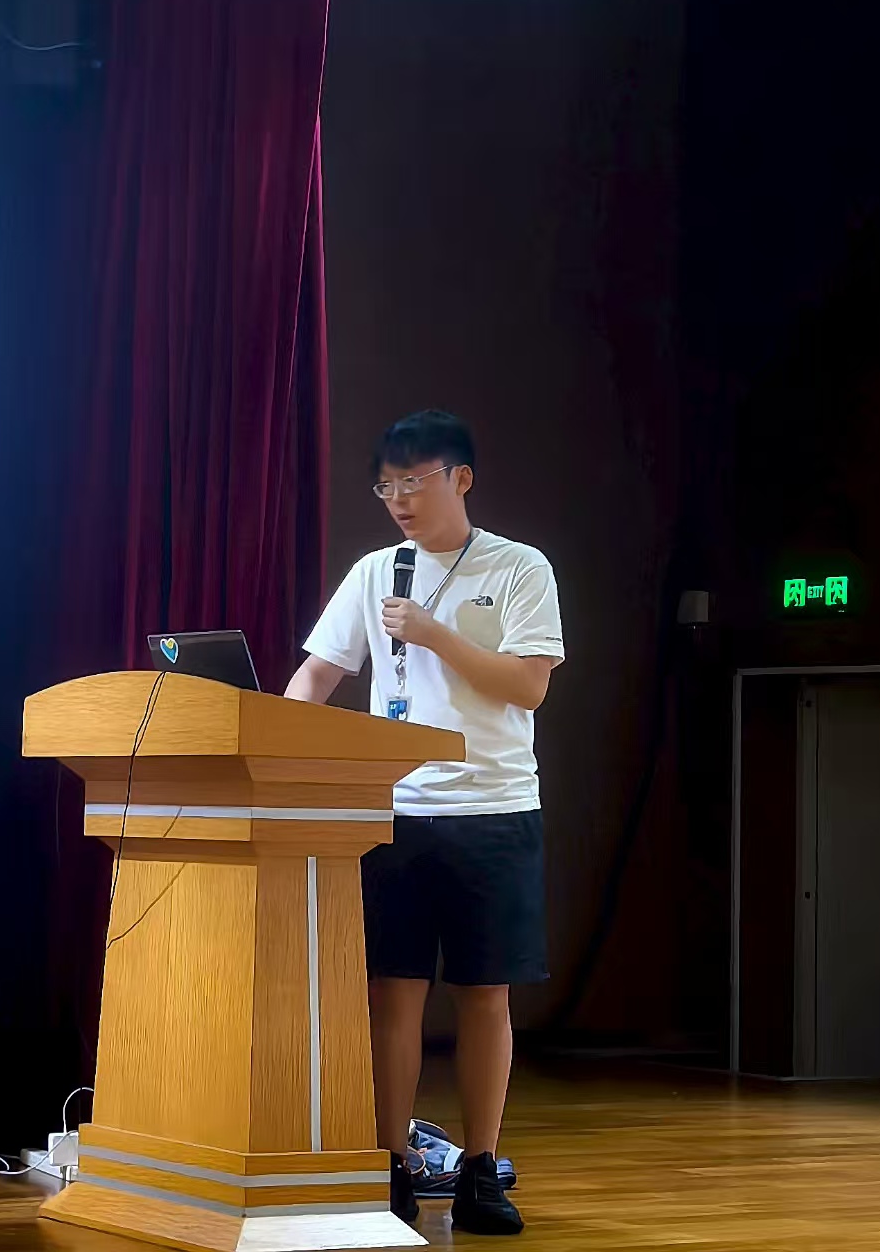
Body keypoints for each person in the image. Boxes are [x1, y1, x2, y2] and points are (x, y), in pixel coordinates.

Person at [285, 410, 563, 1235]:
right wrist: (282, 742)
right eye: (386, 486)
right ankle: (392, 1163)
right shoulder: (376, 571)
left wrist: (435, 634)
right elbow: (317, 675)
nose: (400, 499)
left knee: (483, 995)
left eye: (414, 481)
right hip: (397, 811)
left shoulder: (518, 566)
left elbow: (528, 686)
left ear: (460, 479)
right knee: (392, 994)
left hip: (494, 808)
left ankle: (479, 1168)